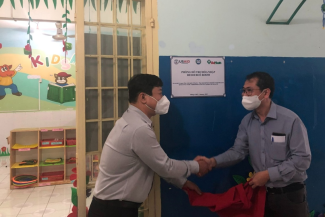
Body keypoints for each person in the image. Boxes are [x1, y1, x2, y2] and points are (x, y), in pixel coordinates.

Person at [88, 74, 209, 217]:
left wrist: (182, 182)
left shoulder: (131, 120)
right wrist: (197, 166)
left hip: (112, 207)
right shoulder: (138, 129)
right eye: (160, 94)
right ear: (143, 97)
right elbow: (166, 166)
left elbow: (154, 163)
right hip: (113, 211)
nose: (163, 100)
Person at [195, 72, 311, 217]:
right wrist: (212, 162)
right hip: (261, 196)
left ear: (266, 93)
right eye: (243, 90)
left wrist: (269, 174)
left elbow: (302, 159)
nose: (245, 95)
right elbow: (238, 152)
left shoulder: (290, 120)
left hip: (289, 195)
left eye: (249, 90)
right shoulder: (247, 122)